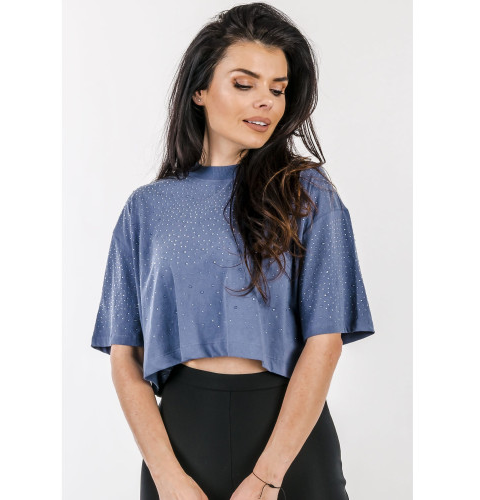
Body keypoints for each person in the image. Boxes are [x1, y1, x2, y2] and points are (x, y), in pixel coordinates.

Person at [91, 3, 375, 499]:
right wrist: (166, 475)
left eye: (278, 89)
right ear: (199, 91)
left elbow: (325, 341)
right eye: (245, 84)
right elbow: (125, 357)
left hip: (288, 439)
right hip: (179, 442)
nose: (265, 101)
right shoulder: (147, 208)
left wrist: (268, 475)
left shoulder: (307, 193)